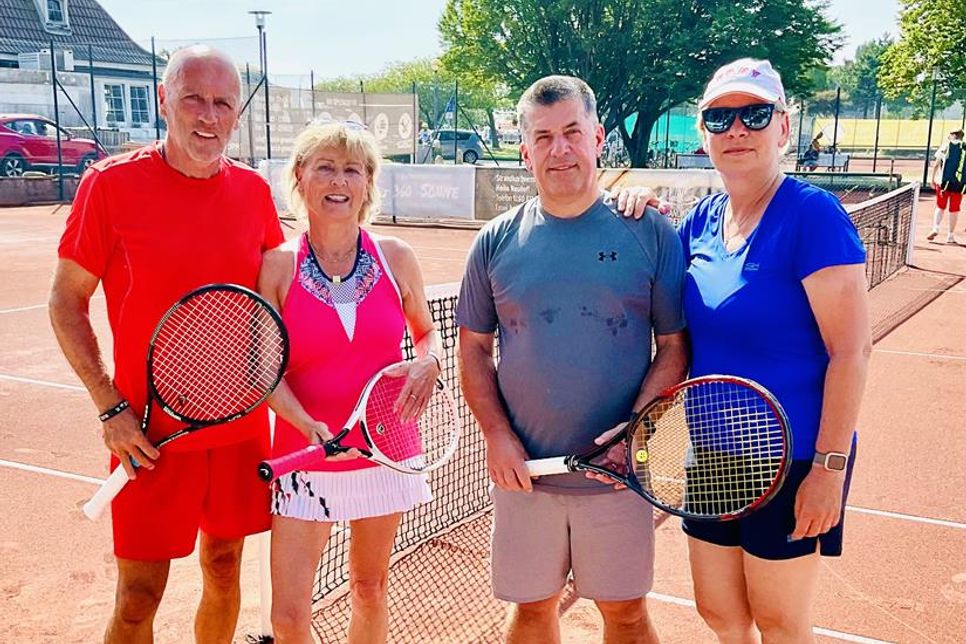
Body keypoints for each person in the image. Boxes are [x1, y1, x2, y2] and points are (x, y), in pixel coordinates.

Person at [614, 58, 871, 642]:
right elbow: (658, 299)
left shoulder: (812, 216)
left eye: (754, 115)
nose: (737, 130)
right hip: (713, 455)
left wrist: (829, 470)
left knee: (780, 622)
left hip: (796, 456)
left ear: (783, 127)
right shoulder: (701, 221)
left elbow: (852, 352)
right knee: (722, 613)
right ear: (703, 134)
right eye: (720, 117)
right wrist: (639, 205)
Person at [48, 46, 284, 643]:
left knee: (225, 568)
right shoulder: (110, 185)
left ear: (237, 113)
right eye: (193, 99)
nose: (209, 116)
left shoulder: (254, 192)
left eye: (223, 103)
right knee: (137, 598)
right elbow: (65, 301)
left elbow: (273, 300)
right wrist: (108, 405)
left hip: (239, 428)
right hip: (148, 434)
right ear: (163, 101)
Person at [456, 75, 688, 644]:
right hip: (525, 478)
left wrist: (633, 436)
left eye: (572, 133)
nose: (559, 150)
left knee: (626, 616)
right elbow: (473, 350)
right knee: (532, 614)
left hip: (618, 481)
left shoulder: (648, 231)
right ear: (524, 149)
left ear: (598, 138)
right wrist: (497, 436)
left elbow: (675, 347)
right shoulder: (494, 241)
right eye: (543, 137)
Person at [258, 119, 442, 643]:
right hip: (304, 454)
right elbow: (266, 372)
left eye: (351, 170)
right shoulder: (276, 267)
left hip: (383, 449)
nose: (338, 181)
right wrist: (308, 426)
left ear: (367, 184)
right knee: (288, 617)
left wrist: (429, 361)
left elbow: (426, 333)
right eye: (325, 168)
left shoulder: (396, 257)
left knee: (369, 588)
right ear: (300, 177)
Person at [927, 128, 965, 244]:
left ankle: (936, 228)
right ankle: (950, 236)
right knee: (954, 210)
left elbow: (936, 164)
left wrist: (932, 179)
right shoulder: (965, 147)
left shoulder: (946, 146)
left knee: (940, 207)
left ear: (953, 135)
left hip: (943, 183)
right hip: (959, 185)